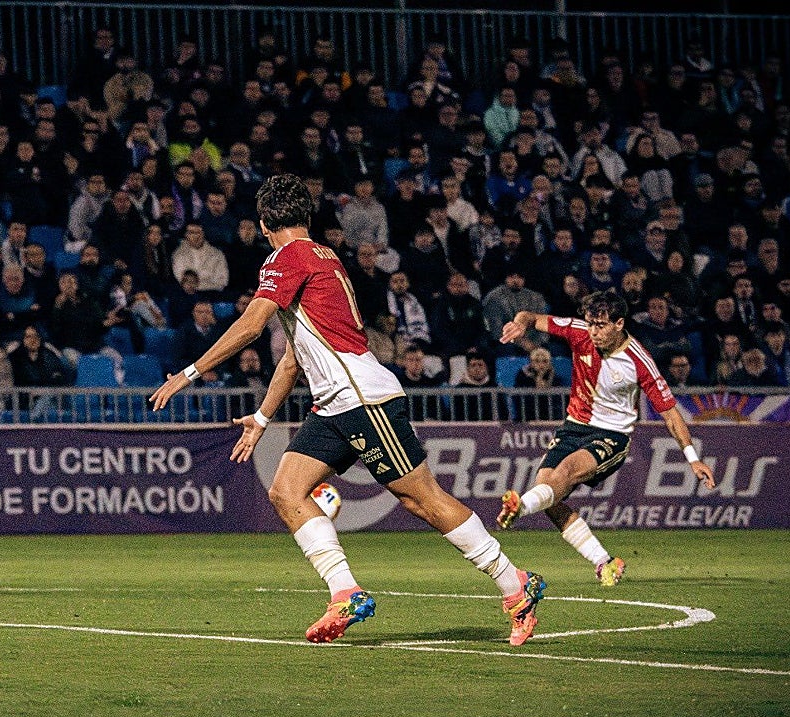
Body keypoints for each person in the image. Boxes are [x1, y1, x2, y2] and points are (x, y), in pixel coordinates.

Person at [150, 174, 546, 646]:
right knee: (285, 491)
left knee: (422, 500)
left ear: (263, 224)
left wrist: (188, 373)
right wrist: (260, 418)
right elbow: (297, 355)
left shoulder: (287, 257)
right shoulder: (324, 257)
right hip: (335, 404)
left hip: (363, 398)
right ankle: (345, 593)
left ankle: (514, 583)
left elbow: (253, 325)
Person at [497, 289, 717, 585]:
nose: (593, 331)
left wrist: (692, 458)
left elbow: (670, 413)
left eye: (600, 325)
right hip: (573, 427)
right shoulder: (579, 332)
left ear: (619, 323)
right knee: (548, 494)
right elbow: (532, 316)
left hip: (612, 436)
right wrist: (520, 322)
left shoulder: (639, 361)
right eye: (590, 323)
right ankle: (605, 562)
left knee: (565, 473)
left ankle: (520, 507)